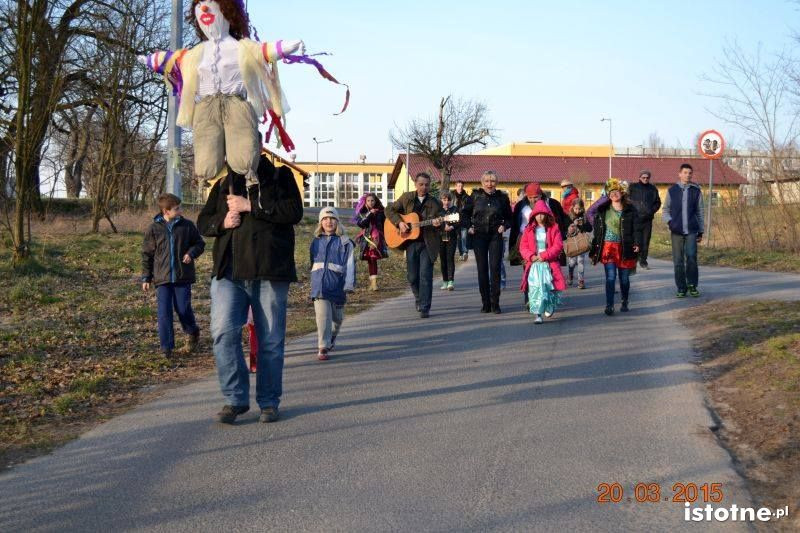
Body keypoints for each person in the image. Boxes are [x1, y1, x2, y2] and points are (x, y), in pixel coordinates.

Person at [197, 154, 303, 425]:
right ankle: (235, 398)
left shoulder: (280, 176)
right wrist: (222, 222)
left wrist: (251, 205)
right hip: (228, 273)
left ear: (257, 147)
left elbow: (293, 212)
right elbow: (203, 222)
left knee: (270, 340)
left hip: (269, 272)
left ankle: (268, 402)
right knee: (222, 333)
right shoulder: (223, 184)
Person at [142, 193, 205, 359]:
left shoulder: (188, 226)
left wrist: (191, 253)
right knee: (164, 312)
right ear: (166, 211)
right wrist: (146, 277)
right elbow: (147, 254)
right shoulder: (153, 229)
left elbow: (199, 243)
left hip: (182, 277)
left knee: (183, 309)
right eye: (177, 208)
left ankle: (192, 331)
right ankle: (166, 348)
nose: (180, 210)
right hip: (162, 278)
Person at [385, 172, 443, 318]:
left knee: (425, 275)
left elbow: (442, 225)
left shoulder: (435, 203)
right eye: (421, 184)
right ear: (416, 184)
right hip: (410, 243)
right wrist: (400, 222)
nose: (424, 187)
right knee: (412, 277)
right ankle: (418, 298)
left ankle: (425, 307)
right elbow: (389, 210)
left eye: (427, 185)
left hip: (427, 243)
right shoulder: (407, 198)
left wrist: (438, 224)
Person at [587, 178, 643, 316]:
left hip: (625, 247)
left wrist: (637, 243)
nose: (614, 194)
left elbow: (637, 228)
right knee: (610, 277)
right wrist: (604, 198)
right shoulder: (603, 210)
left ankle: (624, 300)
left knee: (624, 278)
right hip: (608, 248)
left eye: (616, 191)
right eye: (611, 192)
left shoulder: (630, 209)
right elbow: (590, 212)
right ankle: (609, 305)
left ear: (622, 193)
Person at [463, 171, 513, 314]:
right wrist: (469, 227)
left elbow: (510, 218)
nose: (489, 184)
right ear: (482, 182)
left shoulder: (502, 198)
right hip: (479, 235)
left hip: (495, 236)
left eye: (492, 181)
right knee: (482, 269)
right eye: (486, 181)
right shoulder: (475, 196)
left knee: (495, 268)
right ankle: (485, 302)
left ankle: (495, 303)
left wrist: (505, 225)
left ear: (496, 183)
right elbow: (464, 214)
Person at [310, 207, 356, 361]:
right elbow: (313, 263)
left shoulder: (345, 242)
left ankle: (330, 339)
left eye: (332, 219)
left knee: (337, 320)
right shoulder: (315, 242)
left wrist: (348, 284)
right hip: (319, 287)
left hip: (338, 287)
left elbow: (350, 265)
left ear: (337, 222)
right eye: (325, 219)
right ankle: (322, 347)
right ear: (320, 222)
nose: (328, 222)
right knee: (322, 317)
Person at [519, 200, 566, 324]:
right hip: (534, 265)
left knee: (550, 288)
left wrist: (545, 255)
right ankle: (537, 314)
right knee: (535, 289)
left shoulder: (554, 228)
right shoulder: (528, 230)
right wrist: (531, 256)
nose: (540, 217)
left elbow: (558, 245)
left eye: (543, 214)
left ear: (547, 214)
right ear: (533, 215)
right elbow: (523, 247)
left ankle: (550, 305)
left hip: (549, 263)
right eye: (538, 214)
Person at [663, 163, 704, 298]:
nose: (688, 175)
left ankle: (692, 285)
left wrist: (701, 230)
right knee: (678, 260)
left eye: (690, 173)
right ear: (679, 174)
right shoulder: (672, 191)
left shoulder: (696, 191)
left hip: (692, 230)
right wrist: (670, 222)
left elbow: (700, 212)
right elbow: (665, 210)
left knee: (691, 258)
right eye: (685, 172)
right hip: (676, 231)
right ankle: (681, 287)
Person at [353, 192, 387, 291]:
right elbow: (362, 224)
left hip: (376, 239)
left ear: (375, 201)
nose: (371, 202)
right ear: (365, 202)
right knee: (369, 260)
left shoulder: (381, 212)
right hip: (366, 238)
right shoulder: (362, 212)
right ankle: (372, 283)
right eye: (368, 201)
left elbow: (384, 225)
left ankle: (374, 284)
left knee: (373, 258)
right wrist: (369, 214)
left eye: (372, 200)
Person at [628, 169, 662, 269]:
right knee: (635, 240)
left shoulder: (653, 189)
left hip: (647, 219)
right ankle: (634, 259)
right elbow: (626, 199)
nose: (645, 179)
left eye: (647, 178)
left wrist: (651, 211)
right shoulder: (632, 187)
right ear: (639, 177)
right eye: (643, 177)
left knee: (645, 240)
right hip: (635, 218)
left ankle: (643, 261)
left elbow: (658, 202)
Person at [566, 198, 592, 289]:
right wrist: (573, 224)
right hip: (572, 243)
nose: (577, 211)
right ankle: (570, 274)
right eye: (576, 208)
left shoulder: (584, 216)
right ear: (572, 208)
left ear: (582, 208)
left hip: (581, 243)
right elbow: (566, 231)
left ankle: (581, 281)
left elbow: (589, 228)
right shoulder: (568, 216)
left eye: (579, 209)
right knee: (572, 263)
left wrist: (582, 225)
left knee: (580, 262)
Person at [438, 191, 460, 291]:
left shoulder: (455, 210)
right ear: (441, 200)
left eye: (448, 200)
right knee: (443, 260)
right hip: (440, 238)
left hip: (451, 237)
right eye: (444, 200)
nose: (446, 202)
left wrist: (451, 227)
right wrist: (443, 227)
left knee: (450, 258)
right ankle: (445, 281)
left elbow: (459, 222)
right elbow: (435, 224)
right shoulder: (438, 211)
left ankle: (451, 281)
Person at [451, 179, 472, 261]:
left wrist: (465, 209)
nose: (460, 187)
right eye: (458, 186)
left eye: (461, 186)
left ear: (463, 187)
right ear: (455, 186)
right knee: (458, 237)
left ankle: (465, 252)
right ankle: (461, 253)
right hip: (454, 220)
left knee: (464, 236)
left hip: (464, 219)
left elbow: (470, 208)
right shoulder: (451, 196)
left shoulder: (467, 197)